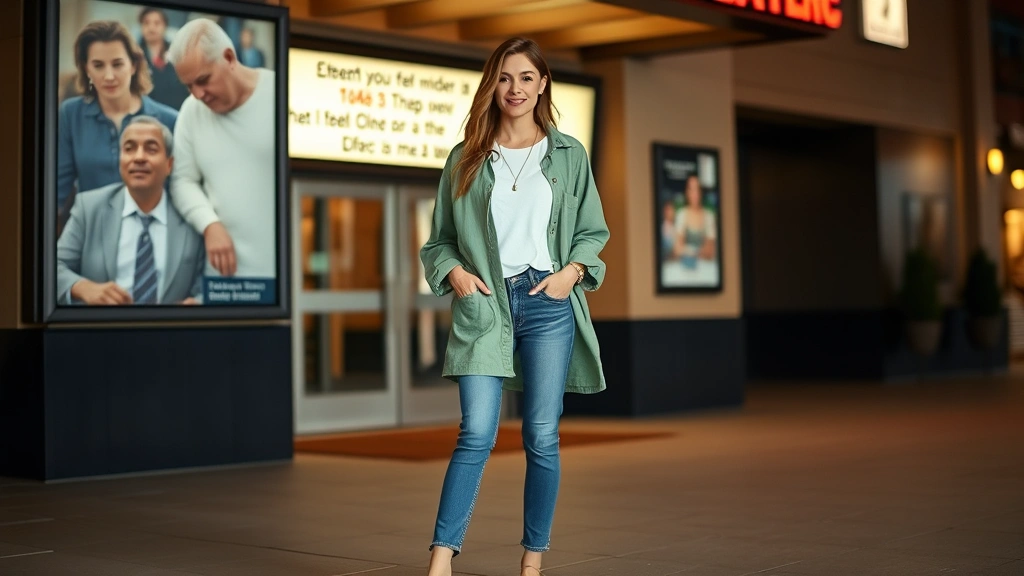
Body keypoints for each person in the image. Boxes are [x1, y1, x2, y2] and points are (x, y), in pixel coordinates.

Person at [419, 37, 609, 576]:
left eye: (526, 78)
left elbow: (593, 232)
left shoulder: (570, 154)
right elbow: (439, 240)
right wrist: (453, 272)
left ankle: (532, 558)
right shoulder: (466, 158)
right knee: (476, 432)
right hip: (487, 305)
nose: (515, 89)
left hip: (548, 302)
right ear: (491, 85)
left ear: (543, 83)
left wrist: (570, 274)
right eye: (504, 78)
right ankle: (441, 558)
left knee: (541, 436)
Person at [166, 18, 276, 280]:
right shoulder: (191, 112)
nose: (197, 94)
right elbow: (182, 180)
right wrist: (209, 225)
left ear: (229, 58)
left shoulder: (278, 93)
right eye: (188, 85)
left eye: (203, 80)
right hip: (224, 284)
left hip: (284, 279)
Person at [57, 116, 205, 305]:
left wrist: (198, 304)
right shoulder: (89, 208)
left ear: (169, 164)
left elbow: (209, 284)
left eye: (151, 149)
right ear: (120, 160)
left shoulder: (190, 214)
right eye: (129, 149)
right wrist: (81, 286)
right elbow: (52, 269)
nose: (139, 157)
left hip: (170, 332)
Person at [57, 20, 178, 221]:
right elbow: (58, 189)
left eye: (117, 64)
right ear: (86, 68)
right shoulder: (71, 114)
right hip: (90, 233)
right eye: (98, 65)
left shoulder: (169, 120)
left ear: (133, 65)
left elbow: (177, 192)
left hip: (148, 236)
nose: (109, 76)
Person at [138, 7, 190, 110]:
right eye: (146, 23)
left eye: (157, 23)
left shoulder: (179, 52)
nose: (151, 28)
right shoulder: (134, 56)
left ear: (165, 26)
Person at [673, 174, 716, 267]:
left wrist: (691, 251)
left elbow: (710, 249)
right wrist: (692, 252)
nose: (695, 194)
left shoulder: (709, 216)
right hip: (685, 266)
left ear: (701, 192)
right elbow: (677, 248)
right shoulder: (682, 214)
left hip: (706, 266)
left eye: (697, 189)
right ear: (687, 192)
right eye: (691, 189)